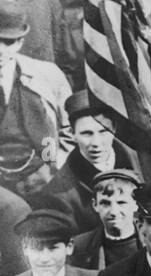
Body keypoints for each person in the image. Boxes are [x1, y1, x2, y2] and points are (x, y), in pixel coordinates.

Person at [32, 90, 134, 233]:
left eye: (103, 131)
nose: (96, 142)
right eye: (86, 133)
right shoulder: (58, 195)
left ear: (114, 129)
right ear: (72, 134)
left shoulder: (141, 163)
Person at [0, 0, 71, 201]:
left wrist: (56, 164)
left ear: (21, 42)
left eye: (9, 42)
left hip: (41, 181)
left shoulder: (47, 75)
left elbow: (71, 127)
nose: (1, 50)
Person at [69, 168, 142, 271]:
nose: (113, 211)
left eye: (121, 203)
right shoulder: (80, 246)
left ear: (136, 204)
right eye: (105, 203)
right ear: (95, 205)